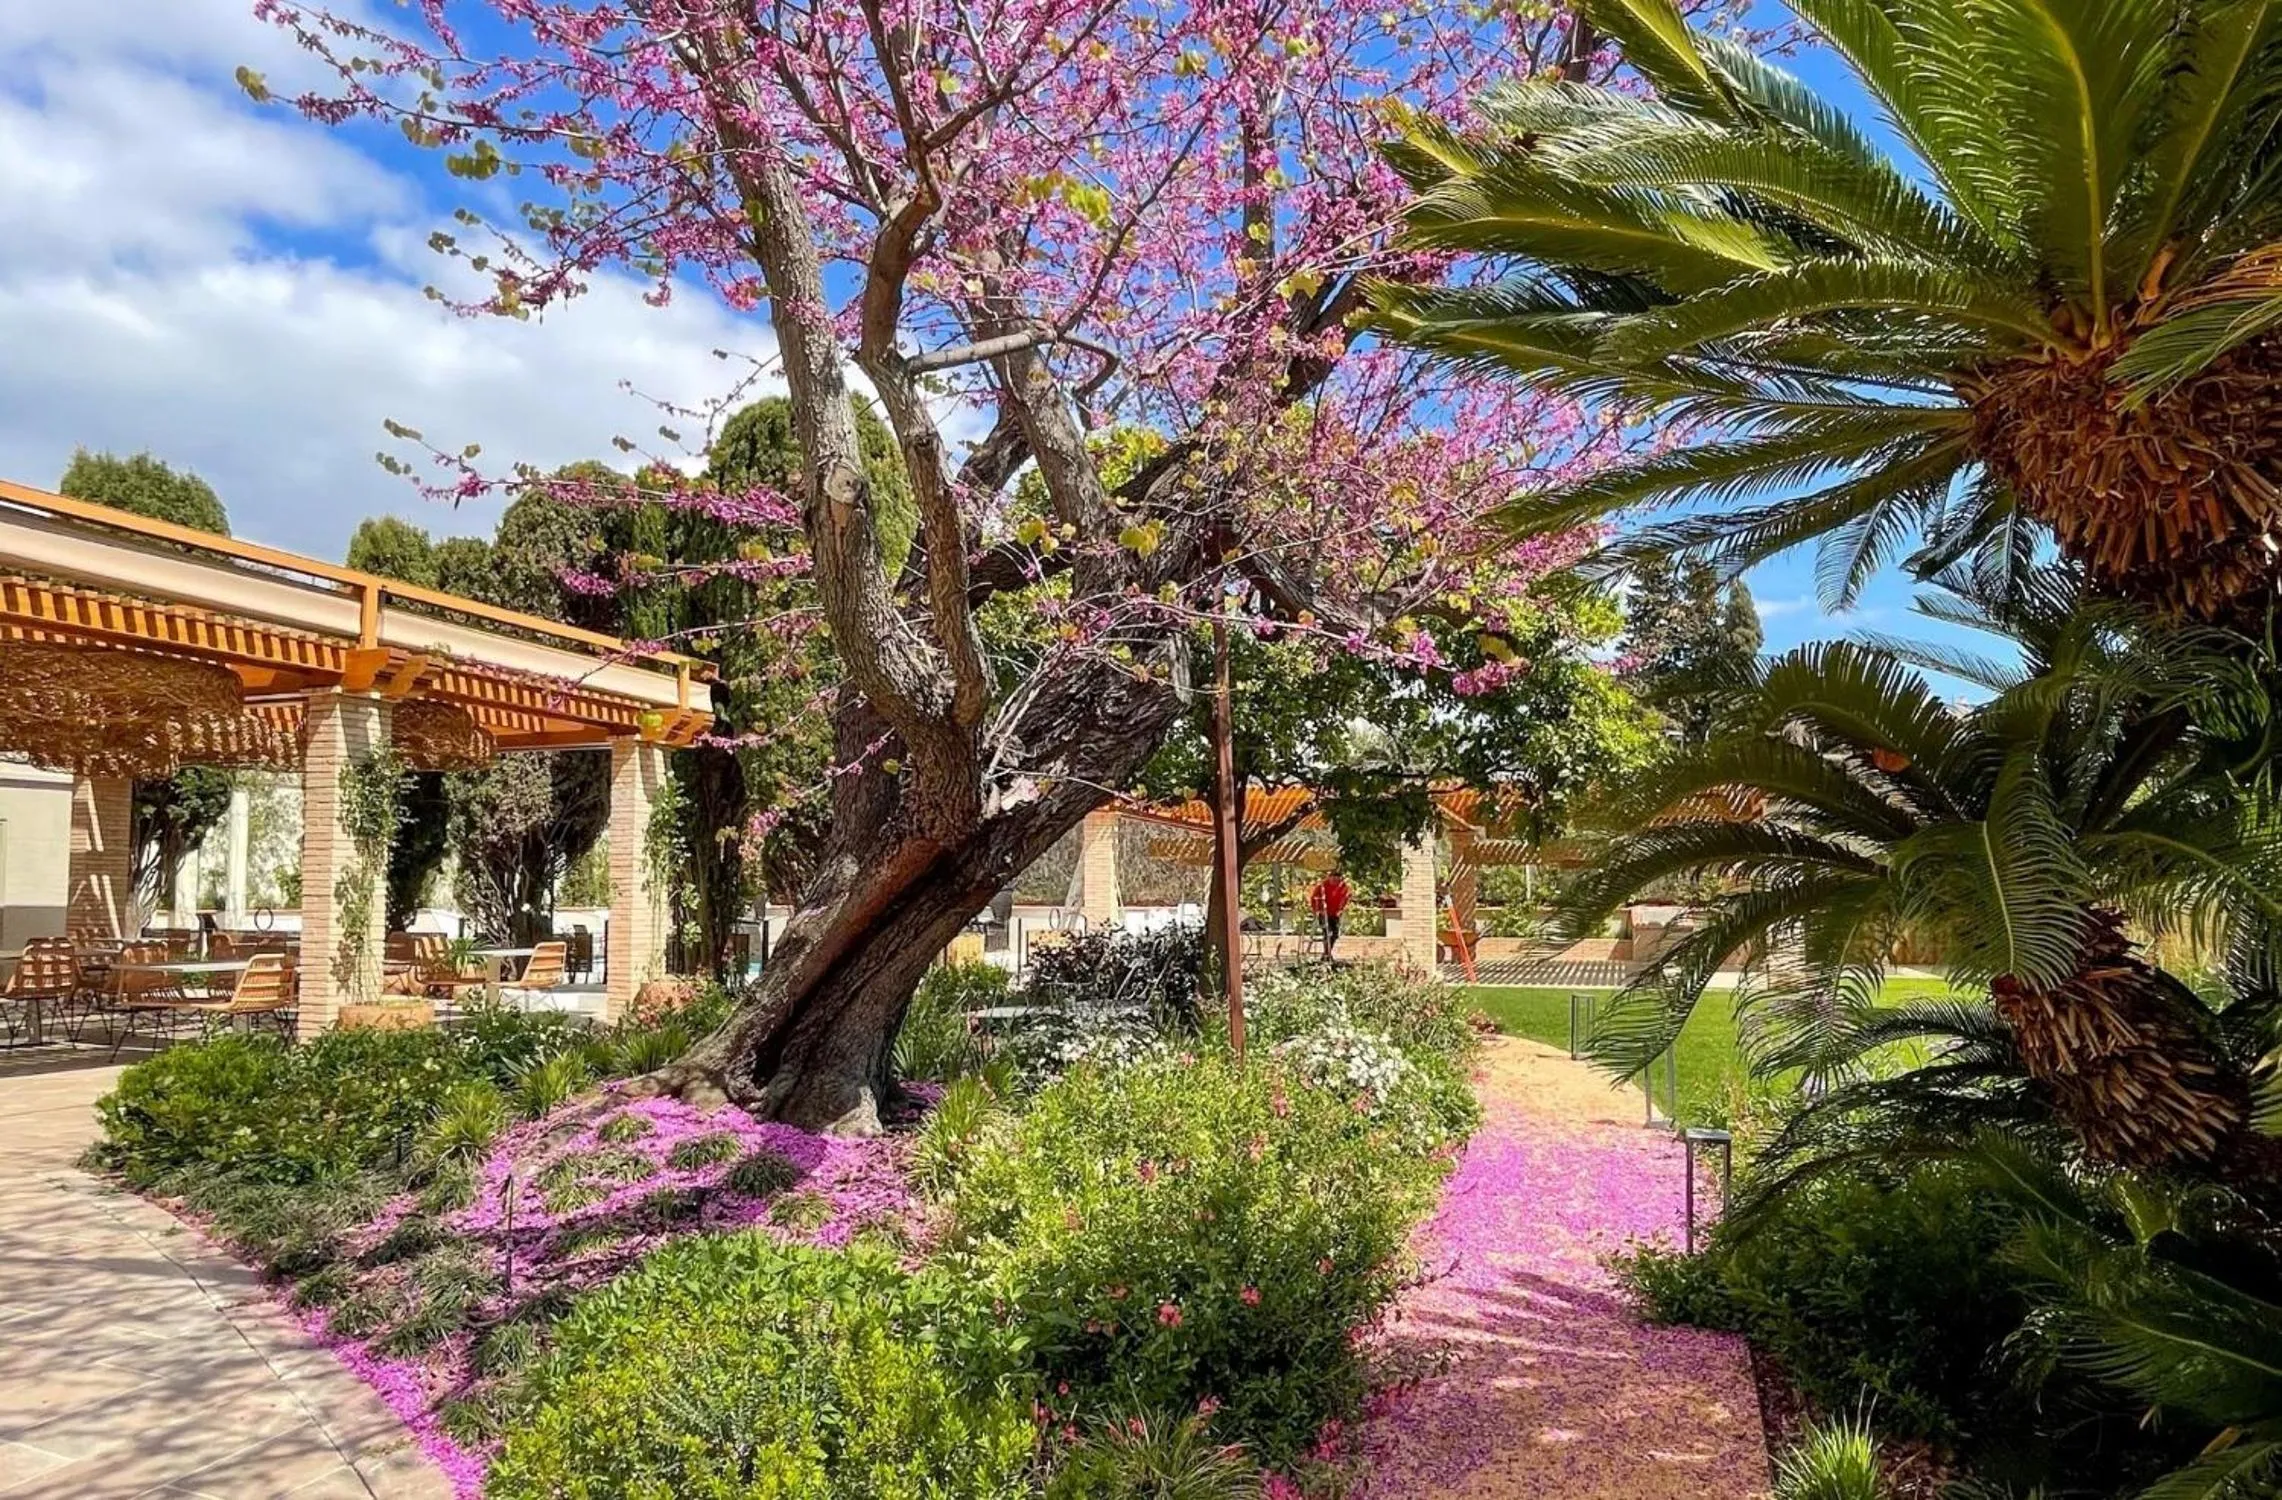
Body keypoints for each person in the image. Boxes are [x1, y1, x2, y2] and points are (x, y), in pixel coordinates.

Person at [1306, 870, 1352, 963]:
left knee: (1335, 934)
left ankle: (1327, 953)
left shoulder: (1343, 887)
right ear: (1329, 877)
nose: (1335, 879)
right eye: (1333, 876)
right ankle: (1327, 954)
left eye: (1337, 877)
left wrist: (1341, 909)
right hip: (1324, 913)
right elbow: (1314, 899)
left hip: (1335, 914)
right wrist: (1317, 910)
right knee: (1327, 932)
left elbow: (1346, 898)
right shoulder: (1322, 886)